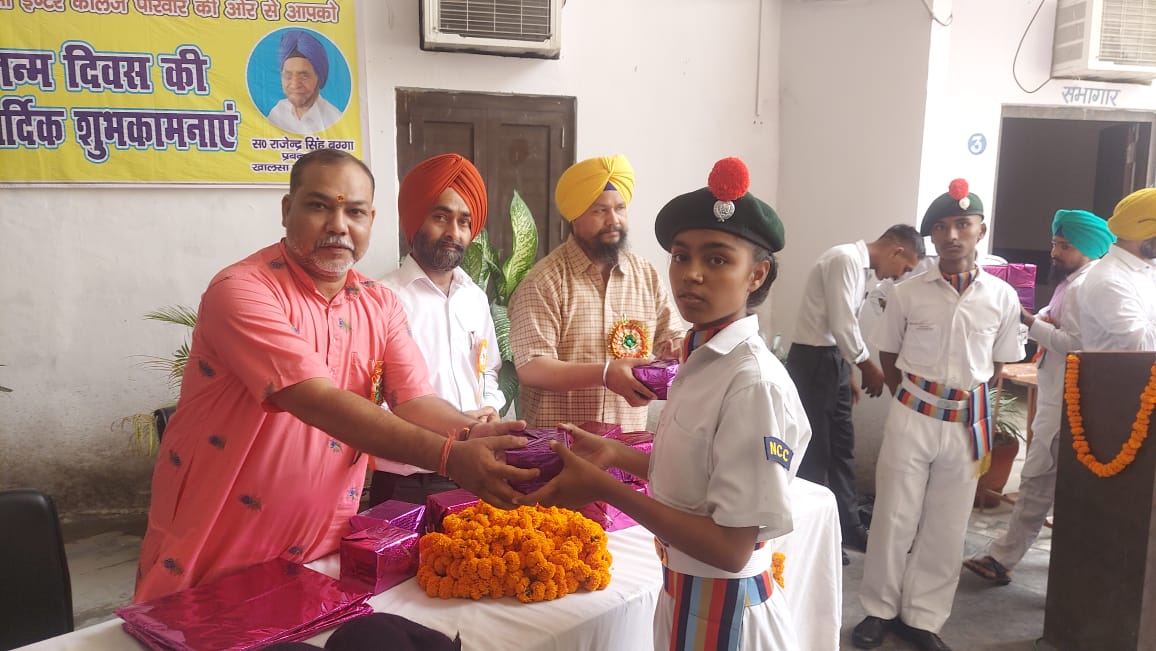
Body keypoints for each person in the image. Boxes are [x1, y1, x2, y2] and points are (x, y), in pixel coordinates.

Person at [134, 149, 536, 603]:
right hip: (215, 548)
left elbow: (413, 399)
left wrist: (471, 431)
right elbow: (315, 399)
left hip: (322, 546)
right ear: (287, 210)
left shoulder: (379, 303)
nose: (339, 225)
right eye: (319, 206)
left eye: (355, 212)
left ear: (371, 221)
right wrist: (449, 457)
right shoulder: (243, 290)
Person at [520, 157, 812, 650]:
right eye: (681, 256)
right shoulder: (705, 361)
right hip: (686, 592)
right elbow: (700, 476)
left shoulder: (751, 383)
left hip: (727, 611)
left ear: (757, 275)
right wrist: (618, 455)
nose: (691, 275)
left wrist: (607, 488)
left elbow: (731, 548)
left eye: (717, 260)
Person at [852, 179, 1023, 651]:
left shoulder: (1002, 297)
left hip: (968, 421)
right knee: (894, 515)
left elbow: (1000, 365)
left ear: (980, 229)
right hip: (913, 415)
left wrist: (978, 410)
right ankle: (878, 610)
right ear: (931, 236)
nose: (951, 235)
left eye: (962, 225)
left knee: (947, 524)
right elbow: (889, 355)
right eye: (942, 227)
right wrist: (912, 397)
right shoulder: (908, 293)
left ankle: (923, 617)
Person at [962, 209, 1114, 586]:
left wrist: (1030, 321)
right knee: (1044, 480)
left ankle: (1003, 558)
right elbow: (1052, 319)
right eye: (1054, 244)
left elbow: (1075, 344)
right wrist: (1042, 321)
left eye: (1065, 246)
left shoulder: (1083, 287)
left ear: (1089, 248)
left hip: (1066, 398)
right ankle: (1014, 557)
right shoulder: (1073, 282)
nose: (1055, 253)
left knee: (1037, 479)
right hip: (1055, 393)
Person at [509, 154, 683, 432]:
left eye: (620, 208)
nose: (613, 220)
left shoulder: (646, 275)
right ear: (575, 217)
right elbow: (532, 366)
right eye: (600, 211)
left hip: (628, 445)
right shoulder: (544, 281)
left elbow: (672, 338)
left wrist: (677, 351)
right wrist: (604, 374)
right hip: (560, 447)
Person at [370, 154, 505, 505]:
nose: (453, 233)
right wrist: (455, 425)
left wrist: (488, 408)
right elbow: (367, 402)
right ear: (415, 220)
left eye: (464, 221)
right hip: (406, 484)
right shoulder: (381, 299)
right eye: (440, 217)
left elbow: (488, 371)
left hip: (473, 476)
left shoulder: (474, 297)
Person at [787, 225, 924, 564]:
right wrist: (868, 367)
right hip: (813, 361)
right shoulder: (844, 259)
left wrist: (846, 371)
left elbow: (839, 330)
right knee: (816, 451)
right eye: (905, 267)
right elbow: (842, 323)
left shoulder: (860, 269)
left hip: (832, 360)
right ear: (896, 250)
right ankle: (814, 535)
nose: (899, 276)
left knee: (842, 448)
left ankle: (847, 525)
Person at [1078, 188, 1156, 351]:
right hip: (1126, 369)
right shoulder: (1108, 281)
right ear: (1142, 231)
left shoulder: (1147, 267)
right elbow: (1142, 348)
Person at [267, 29, 343, 134]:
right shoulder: (278, 111)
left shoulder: (334, 119)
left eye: (304, 76)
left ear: (319, 77)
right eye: (288, 76)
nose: (294, 85)